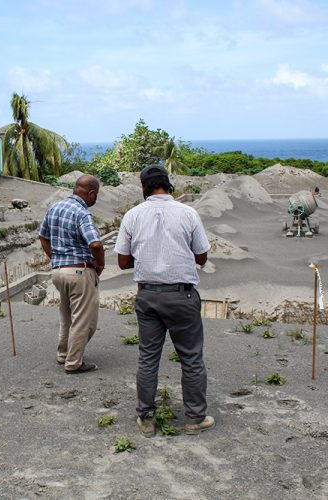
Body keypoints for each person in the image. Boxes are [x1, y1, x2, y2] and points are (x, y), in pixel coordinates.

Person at [114, 163, 213, 436]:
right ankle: (195, 417)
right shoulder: (188, 213)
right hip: (182, 295)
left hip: (147, 295)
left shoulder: (132, 216)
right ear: (168, 184)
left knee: (148, 357)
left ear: (143, 187)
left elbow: (123, 262)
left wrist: (149, 256)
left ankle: (146, 417)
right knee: (191, 357)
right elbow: (202, 257)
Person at [39, 175, 105, 374]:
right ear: (91, 193)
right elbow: (95, 244)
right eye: (96, 196)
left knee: (66, 317)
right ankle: (74, 362)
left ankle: (63, 354)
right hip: (79, 272)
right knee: (85, 321)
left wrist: (56, 258)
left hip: (58, 272)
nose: (95, 200)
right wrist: (99, 263)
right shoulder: (82, 213)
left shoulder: (55, 207)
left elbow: (43, 236)